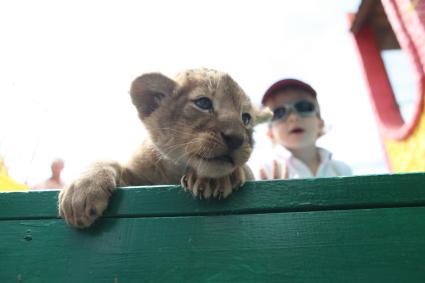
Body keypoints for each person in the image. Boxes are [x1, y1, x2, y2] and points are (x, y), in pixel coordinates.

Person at [259, 78, 352, 179]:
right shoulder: (265, 173)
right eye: (278, 113)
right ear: (270, 133)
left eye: (303, 107)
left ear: (320, 123)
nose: (293, 117)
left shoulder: (342, 170)